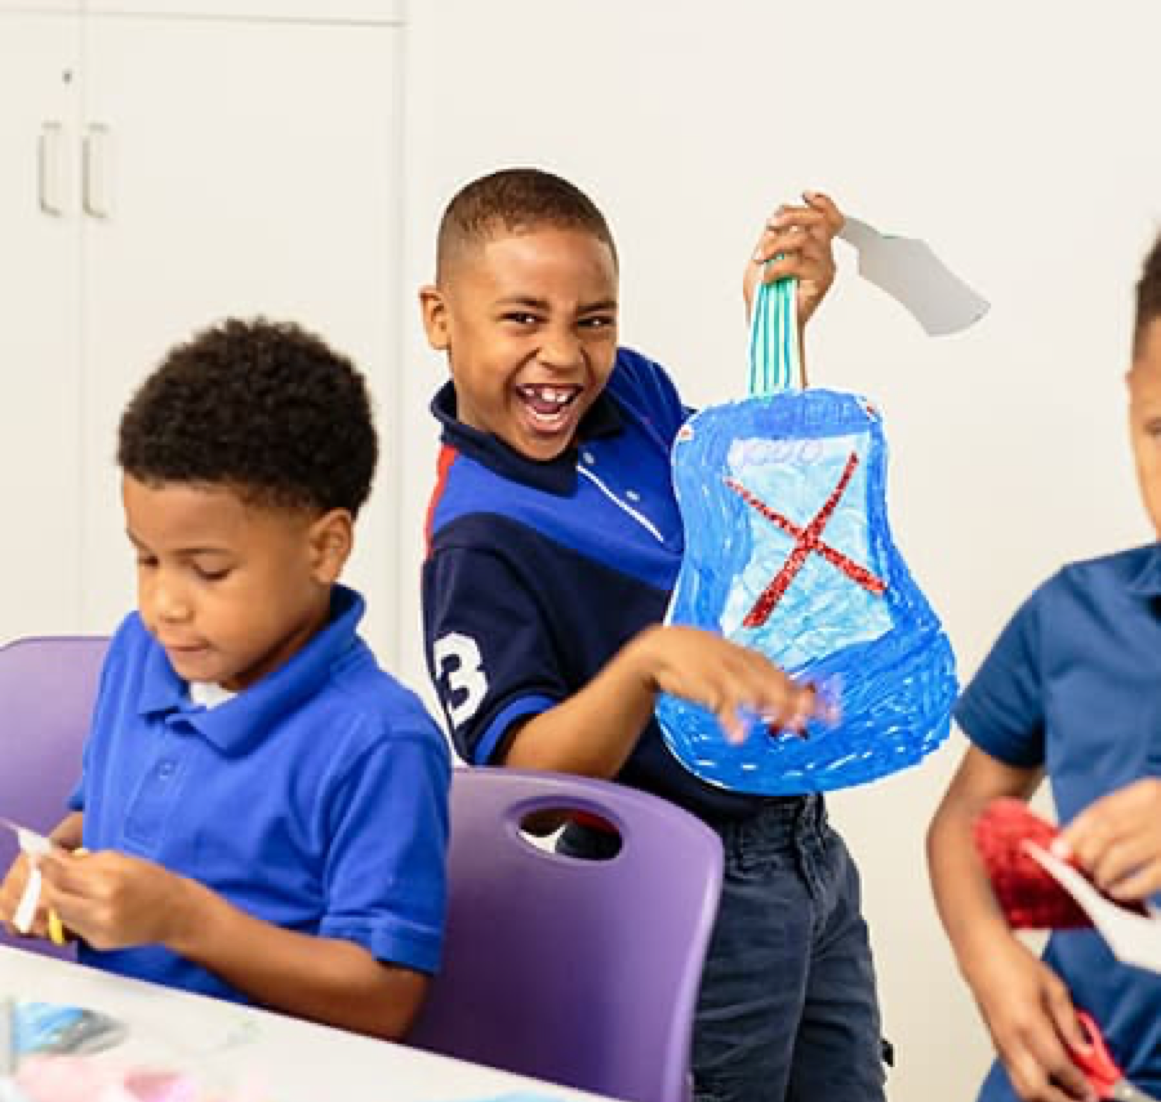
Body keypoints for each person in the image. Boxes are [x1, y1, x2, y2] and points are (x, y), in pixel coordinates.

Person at [420, 167, 886, 1102]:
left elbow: (735, 519)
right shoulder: (475, 541)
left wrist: (775, 328)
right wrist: (643, 668)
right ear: (440, 318)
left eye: (592, 319)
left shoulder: (630, 392)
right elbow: (530, 785)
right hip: (681, 879)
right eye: (521, 319)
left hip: (803, 845)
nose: (561, 355)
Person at [0, 318, 450, 1040]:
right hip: (108, 1056)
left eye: (207, 570)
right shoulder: (138, 653)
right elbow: (101, 823)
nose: (164, 604)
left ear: (325, 548)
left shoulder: (379, 743)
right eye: (146, 559)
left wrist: (187, 921)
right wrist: (55, 870)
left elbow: (384, 999)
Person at [927, 233, 1161, 1102]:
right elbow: (965, 818)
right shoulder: (1071, 614)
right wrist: (993, 969)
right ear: (1130, 399)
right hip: (1070, 1080)